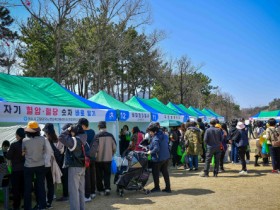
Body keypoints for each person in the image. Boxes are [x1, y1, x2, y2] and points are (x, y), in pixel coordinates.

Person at [58, 124, 86, 210]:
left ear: (73, 131)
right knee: (81, 191)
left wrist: (67, 129)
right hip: (82, 166)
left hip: (74, 167)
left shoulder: (74, 140)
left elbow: (61, 137)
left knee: (74, 192)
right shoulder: (82, 139)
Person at [22, 121, 46, 210]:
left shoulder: (25, 140)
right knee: (41, 186)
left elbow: (23, 153)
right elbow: (44, 150)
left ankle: (27, 207)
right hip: (40, 165)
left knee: (27, 188)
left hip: (28, 166)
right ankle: (42, 206)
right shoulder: (42, 139)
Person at [94, 121, 116, 196]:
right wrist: (111, 154)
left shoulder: (97, 136)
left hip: (98, 159)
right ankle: (107, 188)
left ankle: (100, 190)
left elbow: (95, 148)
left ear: (99, 127)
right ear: (105, 127)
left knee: (99, 175)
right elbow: (114, 147)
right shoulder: (111, 135)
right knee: (107, 174)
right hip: (108, 159)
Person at [42, 123, 61, 209]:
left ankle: (46, 200)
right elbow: (60, 151)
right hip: (55, 163)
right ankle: (51, 199)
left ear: (46, 131)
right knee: (52, 182)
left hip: (46, 164)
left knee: (45, 183)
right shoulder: (56, 139)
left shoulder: (45, 140)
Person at [147, 124, 171, 193]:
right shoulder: (165, 135)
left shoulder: (155, 138)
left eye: (150, 132)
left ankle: (157, 187)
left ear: (154, 132)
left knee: (155, 173)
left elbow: (156, 148)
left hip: (158, 158)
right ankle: (168, 188)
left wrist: (150, 152)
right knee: (165, 172)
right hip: (166, 157)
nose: (149, 133)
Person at [6, 128, 25, 210]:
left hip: (16, 170)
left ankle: (16, 206)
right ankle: (26, 205)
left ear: (18, 135)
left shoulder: (14, 145)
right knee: (24, 188)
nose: (15, 136)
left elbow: (8, 156)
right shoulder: (27, 144)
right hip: (25, 169)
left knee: (16, 189)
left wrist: (6, 152)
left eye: (16, 135)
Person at [78, 118, 96, 202]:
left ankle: (87, 195)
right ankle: (93, 192)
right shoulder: (92, 132)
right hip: (92, 156)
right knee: (92, 175)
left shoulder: (83, 133)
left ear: (83, 126)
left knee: (87, 176)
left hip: (86, 157)